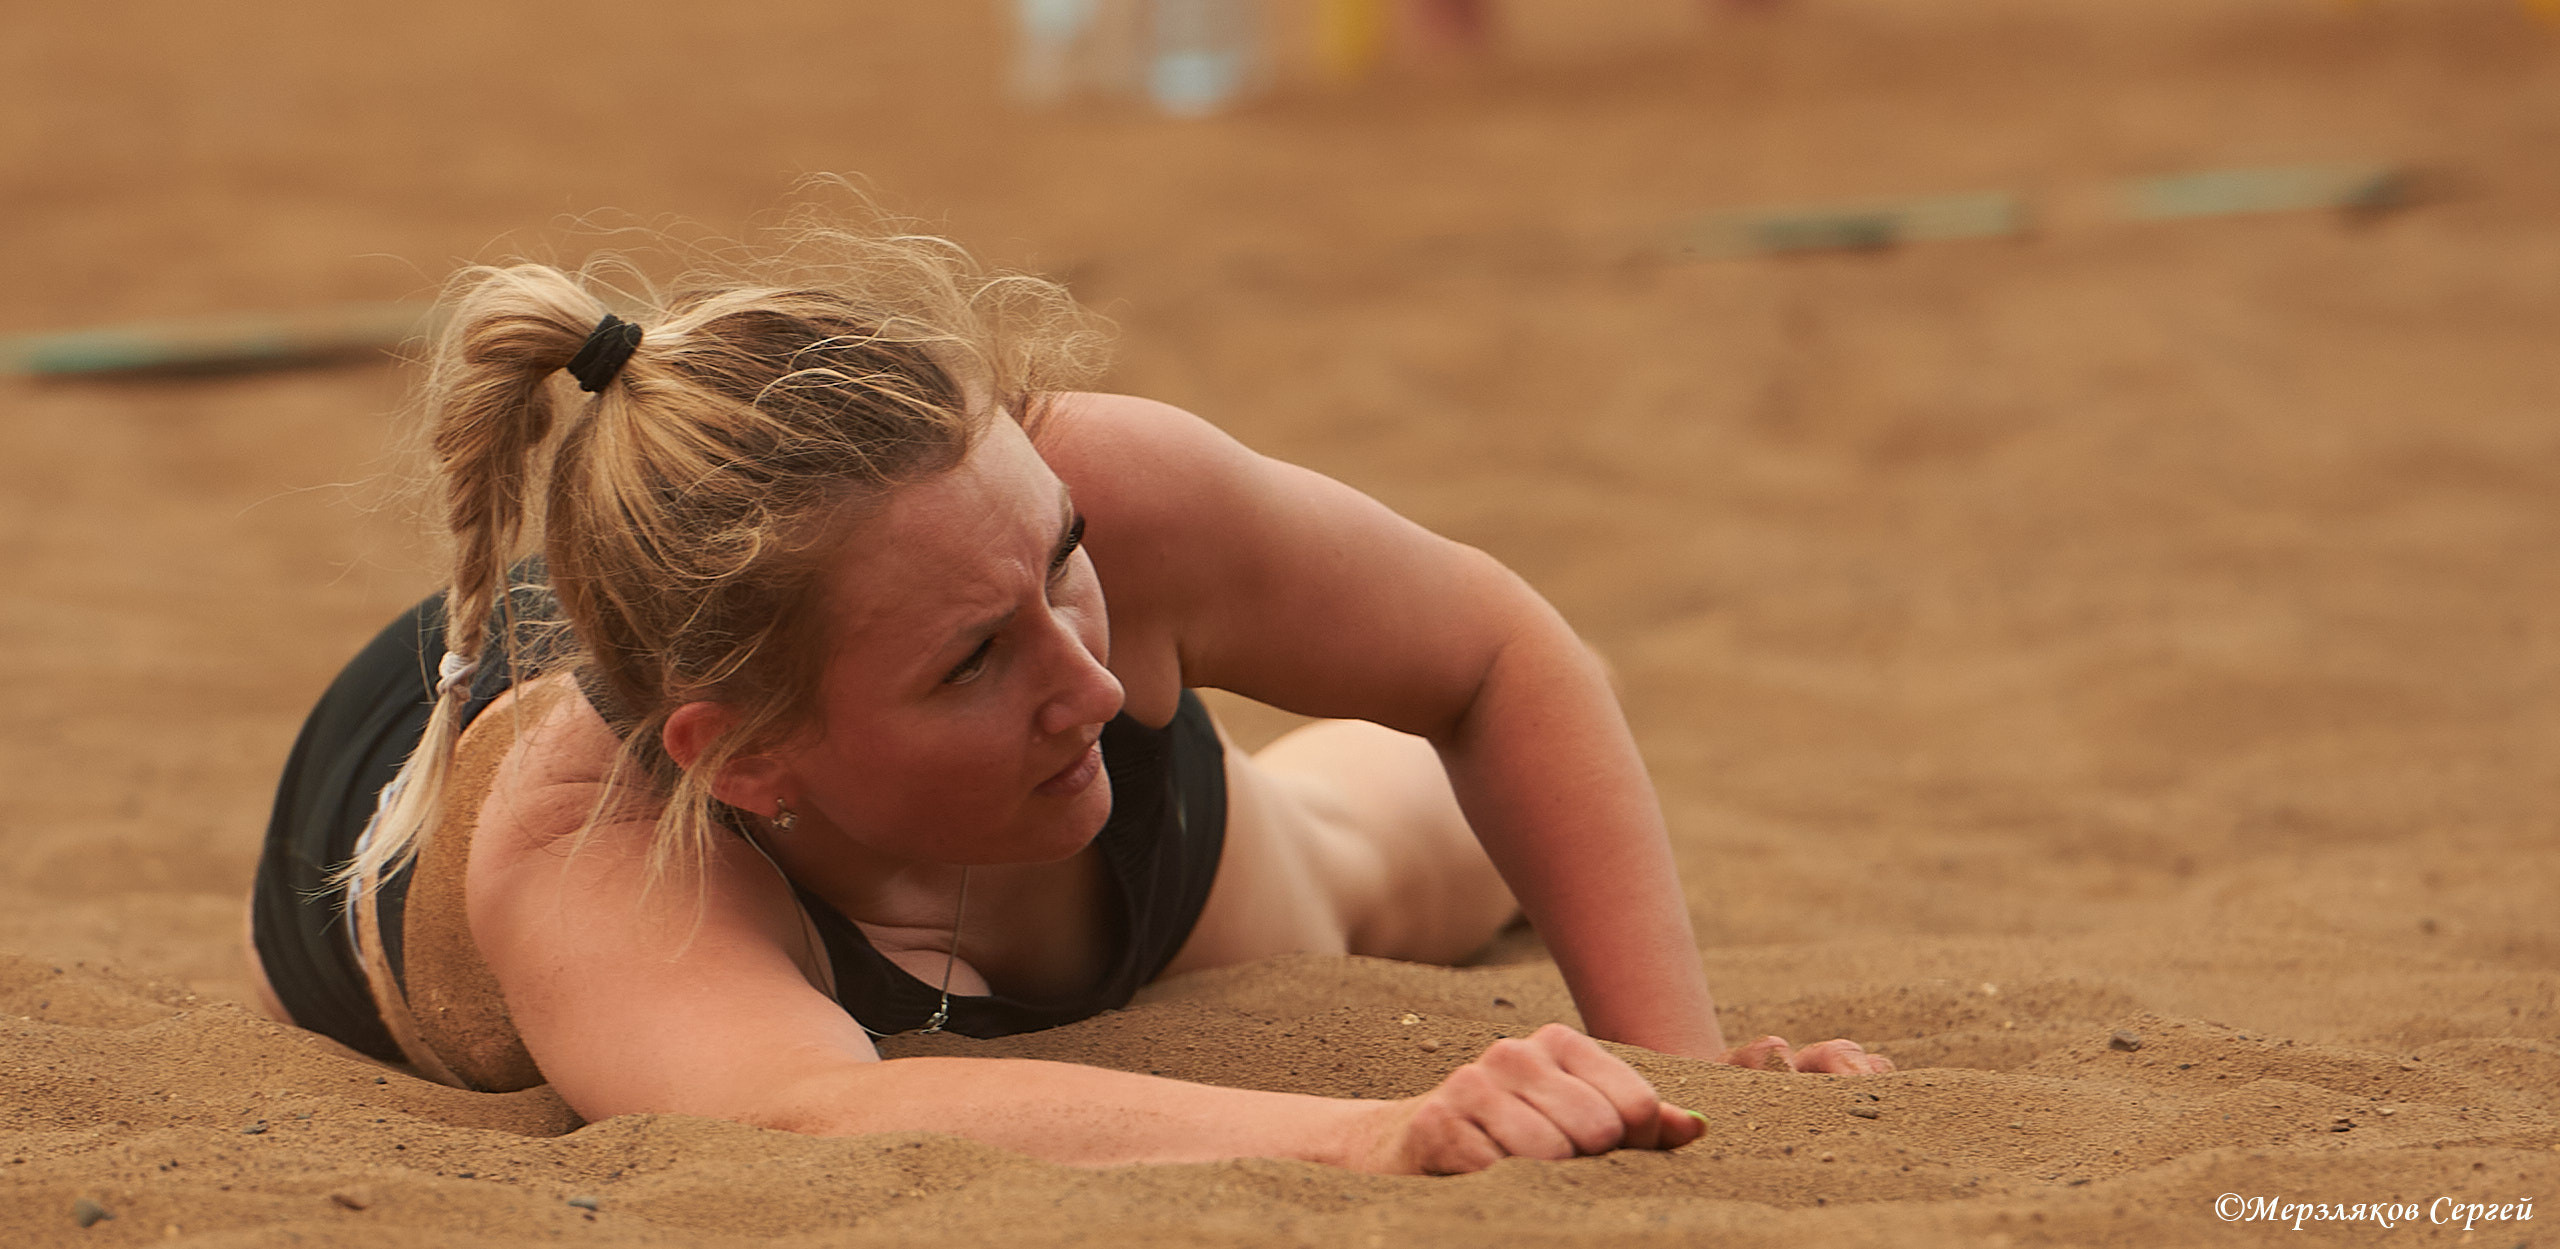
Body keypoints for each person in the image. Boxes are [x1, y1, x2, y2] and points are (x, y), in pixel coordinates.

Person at [246, 207, 1886, 1177]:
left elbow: (1496, 653)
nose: (1094, 678)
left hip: (842, 674)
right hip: (556, 767)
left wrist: (1677, 1063)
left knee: (1380, 864)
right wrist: (1384, 1132)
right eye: (981, 657)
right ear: (744, 759)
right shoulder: (592, 843)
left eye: (1066, 560)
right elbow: (819, 1110)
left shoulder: (1062, 482)